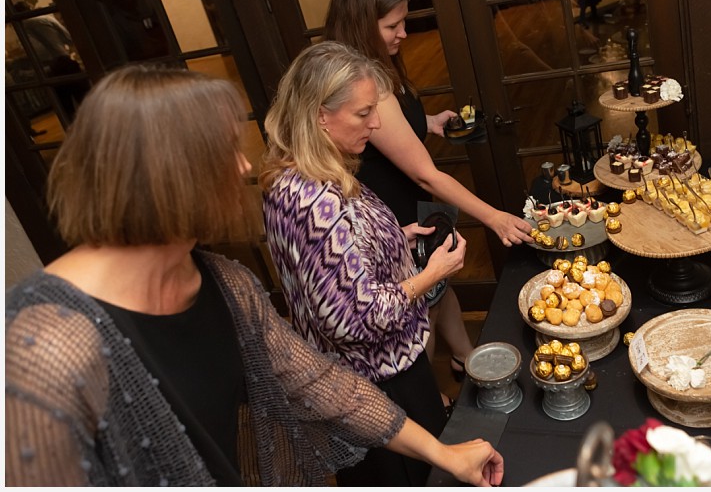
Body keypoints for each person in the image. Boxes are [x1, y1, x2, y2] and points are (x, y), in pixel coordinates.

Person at [4, 64, 503, 487]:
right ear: (166, 178)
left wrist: (443, 453)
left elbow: (323, 383)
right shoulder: (44, 344)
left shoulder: (224, 281)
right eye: (225, 150)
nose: (244, 164)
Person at [260, 41, 475, 486]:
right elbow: (355, 318)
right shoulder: (317, 198)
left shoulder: (296, 174)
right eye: (363, 114)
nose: (375, 124)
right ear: (320, 114)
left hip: (354, 383)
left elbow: (333, 264)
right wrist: (431, 274)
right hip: (379, 383)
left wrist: (398, 235)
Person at [324, 0, 532, 379]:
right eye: (392, 25)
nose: (403, 33)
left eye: (404, 21)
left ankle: (466, 361)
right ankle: (431, 400)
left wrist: (429, 122)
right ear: (362, 24)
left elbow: (391, 131)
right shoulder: (362, 82)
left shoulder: (376, 68)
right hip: (393, 209)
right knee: (422, 310)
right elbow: (425, 175)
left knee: (440, 290)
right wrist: (492, 217)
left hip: (404, 202)